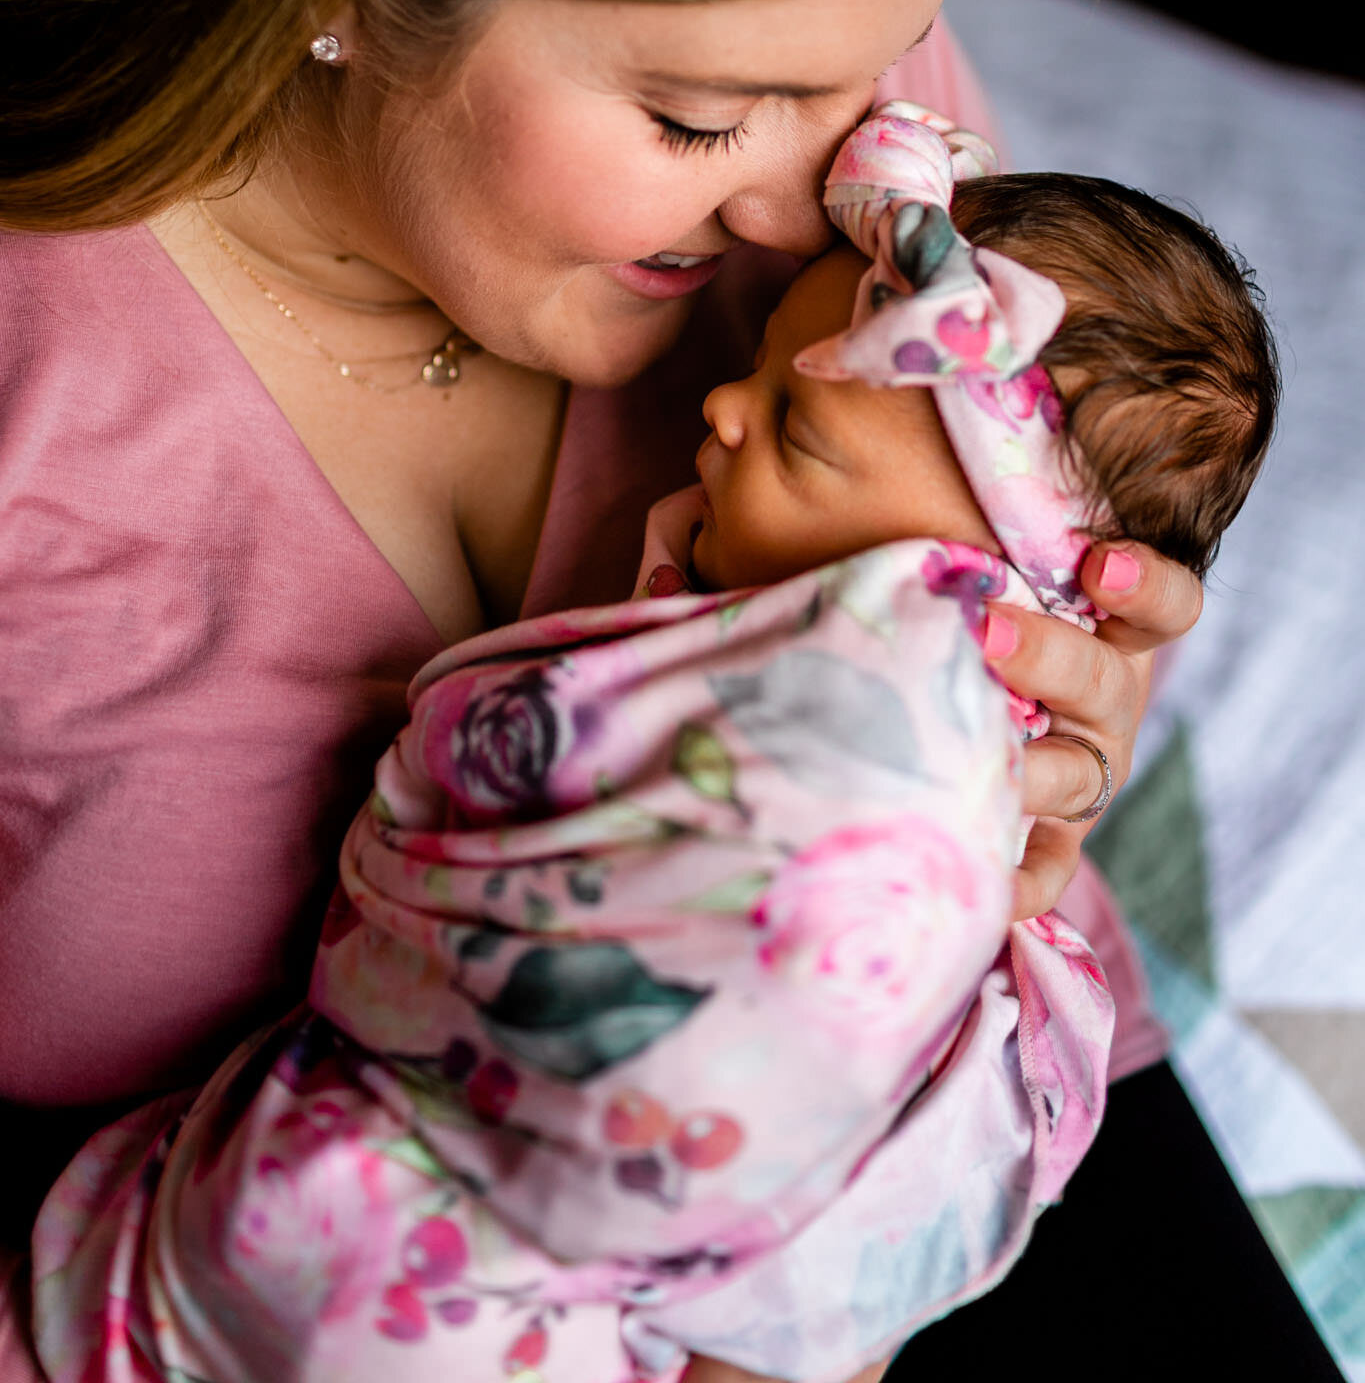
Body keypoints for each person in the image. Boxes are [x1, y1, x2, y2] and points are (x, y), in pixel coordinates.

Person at [3, 0, 1324, 1378]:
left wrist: (1056, 737)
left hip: (906, 1188)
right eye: (703, 116)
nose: (813, 217)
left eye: (862, 70)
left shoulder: (863, 177)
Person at [27, 102, 1278, 1383]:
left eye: (798, 429)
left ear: (975, 583)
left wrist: (1068, 708)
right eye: (694, 112)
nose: (727, 404)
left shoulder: (943, 231)